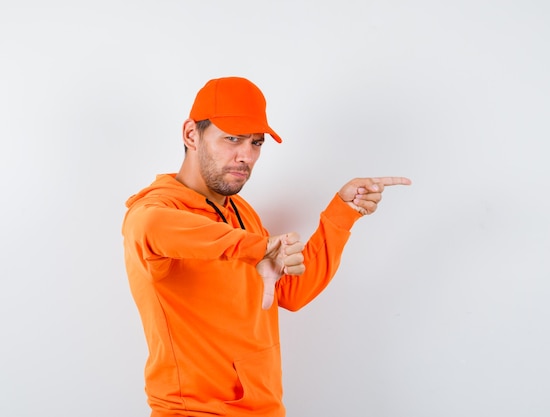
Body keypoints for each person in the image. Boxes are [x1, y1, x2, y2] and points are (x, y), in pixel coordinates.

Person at [122, 76, 411, 417]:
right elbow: (153, 226)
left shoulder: (241, 213)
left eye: (256, 143)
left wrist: (341, 214)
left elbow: (291, 292)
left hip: (264, 408)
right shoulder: (156, 211)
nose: (246, 156)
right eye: (232, 139)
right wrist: (259, 249)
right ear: (191, 135)